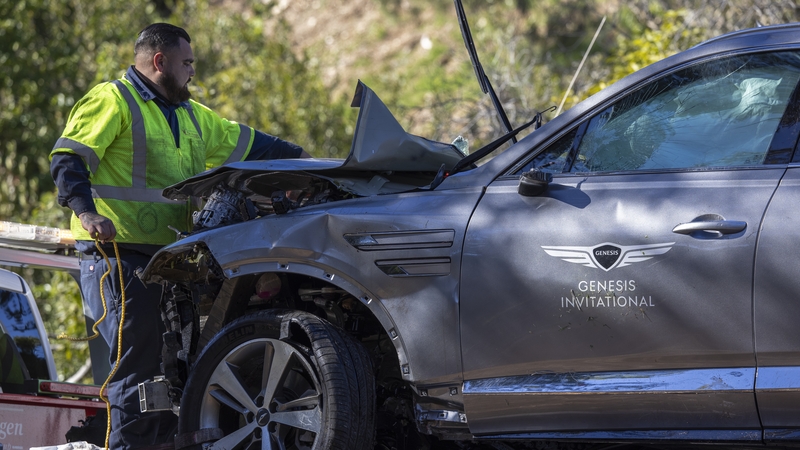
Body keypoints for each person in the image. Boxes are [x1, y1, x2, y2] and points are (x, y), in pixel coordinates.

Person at [50, 23, 309, 449]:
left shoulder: (191, 116)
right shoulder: (112, 99)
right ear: (159, 62)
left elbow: (253, 145)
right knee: (133, 365)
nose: (192, 72)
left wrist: (310, 161)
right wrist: (86, 211)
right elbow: (67, 159)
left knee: (169, 368)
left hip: (168, 260)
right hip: (118, 254)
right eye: (186, 63)